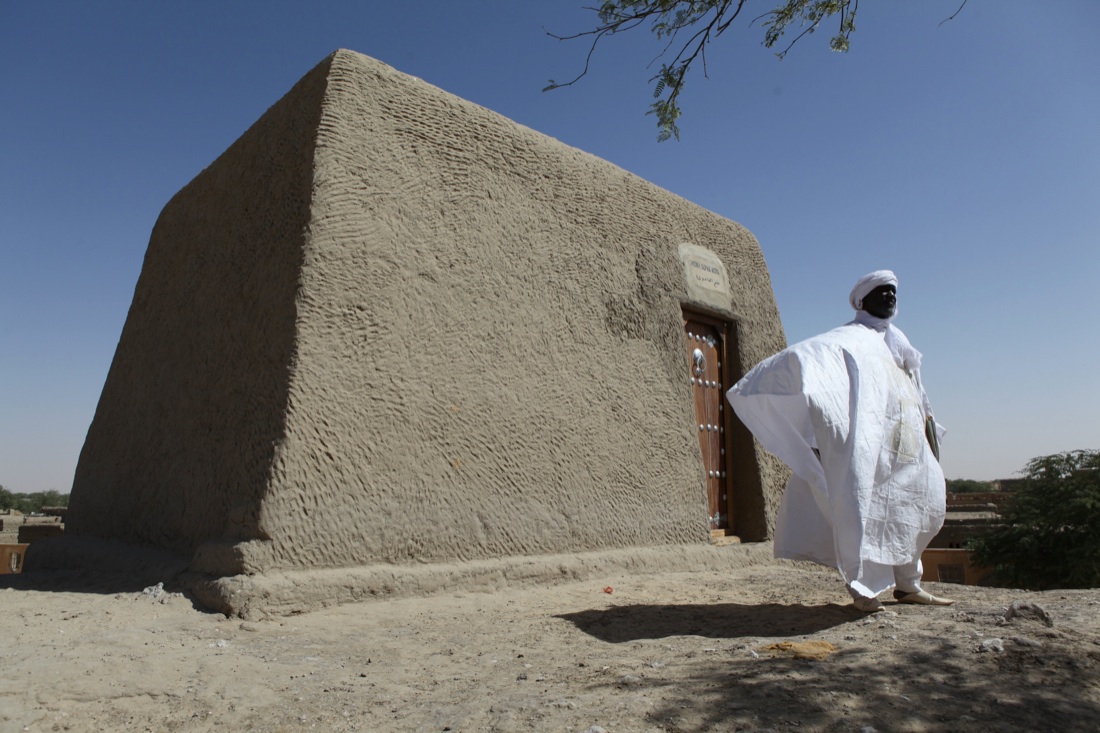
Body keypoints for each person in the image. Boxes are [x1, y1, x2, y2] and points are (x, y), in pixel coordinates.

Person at [727, 270, 953, 612]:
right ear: (862, 301)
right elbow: (819, 358)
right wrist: (791, 372)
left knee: (910, 512)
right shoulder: (851, 339)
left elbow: (918, 396)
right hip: (869, 449)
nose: (890, 297)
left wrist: (929, 432)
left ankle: (909, 585)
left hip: (904, 451)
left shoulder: (900, 344)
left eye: (893, 292)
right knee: (859, 513)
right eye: (882, 292)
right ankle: (862, 589)